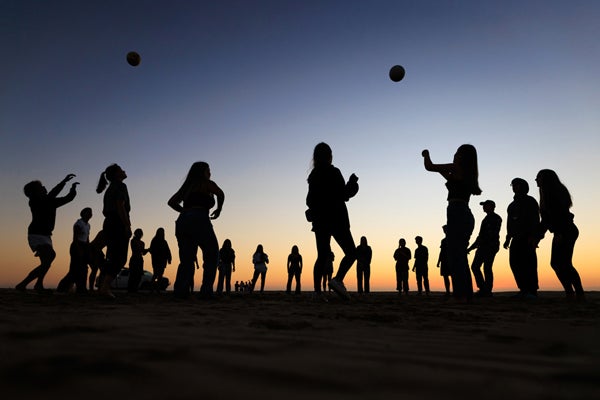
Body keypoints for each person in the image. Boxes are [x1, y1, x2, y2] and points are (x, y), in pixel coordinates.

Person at [422, 145, 482, 301]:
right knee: (458, 255)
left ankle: (462, 294)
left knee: (456, 256)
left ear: (461, 155)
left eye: (457, 152)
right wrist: (439, 169)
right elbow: (444, 174)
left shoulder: (457, 168)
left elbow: (429, 167)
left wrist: (426, 154)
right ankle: (464, 293)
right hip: (463, 212)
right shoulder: (466, 173)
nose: (454, 154)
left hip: (457, 211)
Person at [306, 142, 359, 300]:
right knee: (351, 252)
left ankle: (317, 292)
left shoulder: (313, 176)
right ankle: (337, 280)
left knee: (322, 255)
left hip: (320, 221)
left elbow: (309, 201)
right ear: (329, 156)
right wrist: (353, 184)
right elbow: (344, 194)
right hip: (337, 219)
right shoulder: (334, 172)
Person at [168, 161, 224, 299]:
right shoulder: (207, 183)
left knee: (186, 259)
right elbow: (221, 194)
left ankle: (181, 292)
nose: (210, 173)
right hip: (200, 219)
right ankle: (206, 292)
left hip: (183, 222)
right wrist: (219, 209)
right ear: (203, 171)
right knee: (212, 255)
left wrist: (185, 211)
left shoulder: (187, 186)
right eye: (208, 170)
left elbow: (172, 202)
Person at [16, 174, 78, 292]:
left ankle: (38, 284)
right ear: (35, 192)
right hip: (36, 234)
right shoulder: (34, 201)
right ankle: (23, 284)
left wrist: (72, 189)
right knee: (50, 256)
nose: (44, 187)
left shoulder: (50, 201)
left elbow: (68, 198)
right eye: (41, 187)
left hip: (46, 235)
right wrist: (64, 182)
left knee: (46, 262)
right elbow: (53, 194)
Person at [536, 169, 584, 300]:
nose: (536, 180)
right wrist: (538, 237)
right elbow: (546, 220)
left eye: (538, 178)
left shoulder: (554, 194)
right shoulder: (545, 194)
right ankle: (571, 292)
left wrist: (559, 233)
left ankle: (578, 293)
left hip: (566, 231)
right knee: (558, 263)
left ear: (546, 179)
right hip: (562, 231)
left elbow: (560, 216)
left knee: (563, 263)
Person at [96, 164, 131, 298]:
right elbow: (120, 206)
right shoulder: (120, 186)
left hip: (110, 222)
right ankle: (105, 287)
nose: (124, 170)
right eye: (122, 169)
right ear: (117, 174)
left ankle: (103, 287)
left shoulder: (110, 188)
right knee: (120, 258)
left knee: (112, 255)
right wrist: (127, 225)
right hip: (117, 222)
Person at [503, 178, 540, 299]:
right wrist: (508, 238)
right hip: (516, 238)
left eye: (517, 185)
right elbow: (509, 223)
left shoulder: (530, 201)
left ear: (523, 186)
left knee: (529, 264)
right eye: (513, 185)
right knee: (514, 263)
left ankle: (532, 290)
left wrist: (534, 236)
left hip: (527, 238)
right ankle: (523, 289)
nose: (514, 187)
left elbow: (535, 220)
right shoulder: (512, 205)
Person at [467, 200, 502, 297]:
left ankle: (487, 290)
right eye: (484, 206)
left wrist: (474, 246)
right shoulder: (486, 219)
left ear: (491, 206)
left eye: (485, 205)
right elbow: (480, 236)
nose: (483, 207)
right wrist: (471, 248)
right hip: (483, 246)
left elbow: (490, 234)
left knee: (487, 267)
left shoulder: (496, 218)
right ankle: (483, 288)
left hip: (490, 246)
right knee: (475, 266)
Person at [56, 207, 93, 294]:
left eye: (91, 213)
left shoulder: (88, 225)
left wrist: (88, 250)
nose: (90, 214)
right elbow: (75, 238)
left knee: (84, 268)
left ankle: (81, 288)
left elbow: (87, 238)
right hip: (77, 246)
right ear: (83, 214)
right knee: (74, 269)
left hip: (84, 246)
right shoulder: (78, 224)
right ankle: (62, 287)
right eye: (88, 212)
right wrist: (78, 250)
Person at [148, 227, 172, 293]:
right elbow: (151, 250)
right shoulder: (154, 240)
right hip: (156, 261)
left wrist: (169, 259)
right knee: (156, 274)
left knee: (160, 275)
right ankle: (152, 288)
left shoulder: (164, 242)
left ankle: (157, 289)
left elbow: (168, 251)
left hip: (162, 261)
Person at [128, 228, 149, 292]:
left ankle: (135, 288)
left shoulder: (142, 243)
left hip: (140, 259)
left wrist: (147, 250)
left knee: (139, 275)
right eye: (138, 233)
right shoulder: (133, 241)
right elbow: (135, 249)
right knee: (133, 274)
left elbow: (143, 253)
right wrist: (145, 250)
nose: (139, 235)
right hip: (134, 259)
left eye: (140, 234)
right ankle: (130, 288)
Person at [436, 225, 451, 296]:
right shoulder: (443, 240)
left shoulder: (453, 239)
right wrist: (439, 261)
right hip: (444, 260)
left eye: (445, 229)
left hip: (451, 260)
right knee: (445, 276)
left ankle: (454, 291)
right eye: (444, 230)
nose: (444, 231)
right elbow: (441, 252)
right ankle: (448, 291)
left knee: (453, 276)